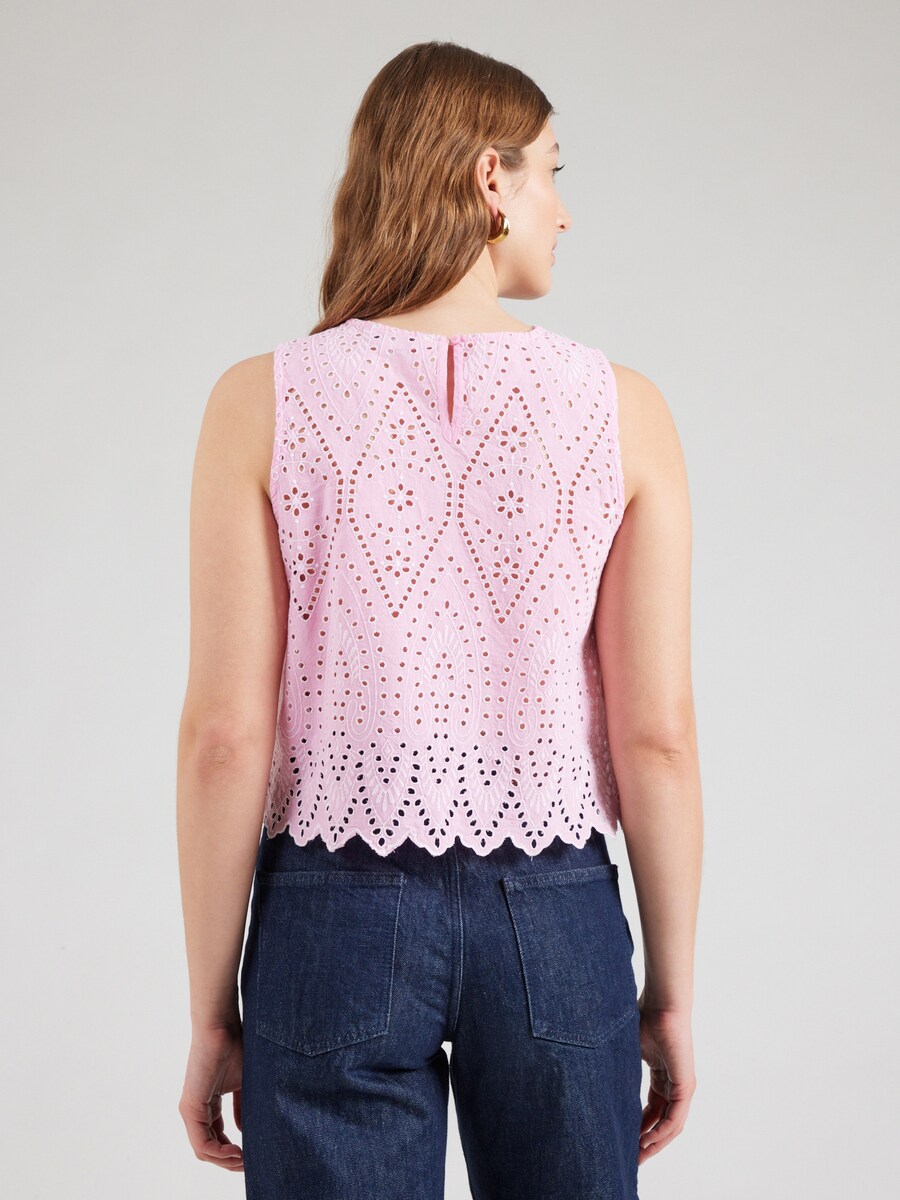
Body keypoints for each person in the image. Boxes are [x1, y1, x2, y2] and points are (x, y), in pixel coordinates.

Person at [176, 39, 701, 1200]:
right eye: (553, 170)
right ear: (488, 177)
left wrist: (213, 1012)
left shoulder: (261, 401)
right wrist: (666, 993)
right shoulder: (625, 411)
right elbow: (656, 737)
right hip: (557, 921)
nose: (564, 210)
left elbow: (224, 736)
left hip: (331, 917)